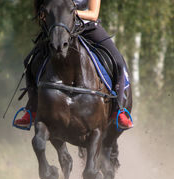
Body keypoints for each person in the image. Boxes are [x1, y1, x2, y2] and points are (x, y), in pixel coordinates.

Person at [15, 0, 133, 129]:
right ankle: (32, 109)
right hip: (60, 29)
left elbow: (93, 14)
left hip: (88, 29)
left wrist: (68, 13)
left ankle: (119, 110)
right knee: (30, 60)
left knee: (119, 63)